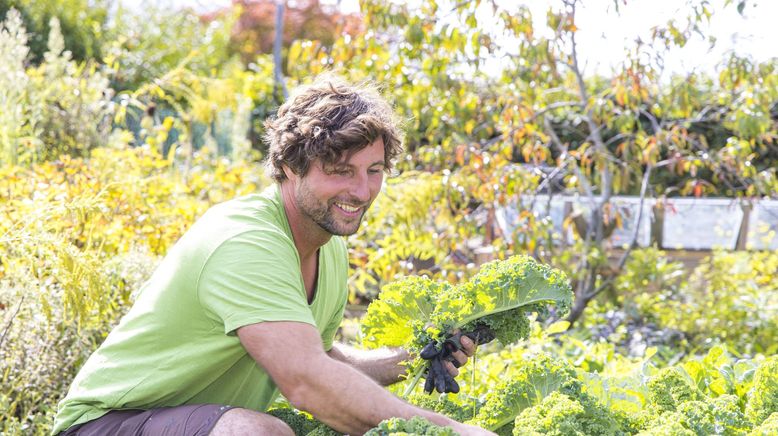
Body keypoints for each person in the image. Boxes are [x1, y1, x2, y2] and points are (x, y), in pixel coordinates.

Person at [52, 76, 496, 436]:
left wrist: (411, 359)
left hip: (189, 424)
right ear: (289, 166)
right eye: (340, 171)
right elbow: (307, 382)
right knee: (255, 434)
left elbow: (319, 357)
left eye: (373, 171)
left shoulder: (328, 243)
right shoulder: (246, 241)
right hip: (105, 425)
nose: (361, 192)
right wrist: (453, 432)